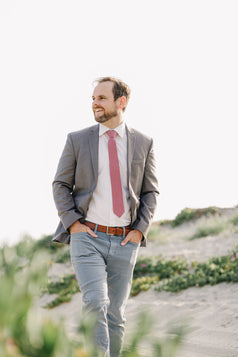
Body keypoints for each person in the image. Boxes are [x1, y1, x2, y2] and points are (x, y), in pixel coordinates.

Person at [52, 77, 159, 356]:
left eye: (101, 98)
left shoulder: (143, 143)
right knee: (96, 302)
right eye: (93, 98)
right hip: (87, 237)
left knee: (115, 314)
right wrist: (72, 223)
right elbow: (60, 185)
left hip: (125, 241)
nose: (94, 103)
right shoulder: (77, 140)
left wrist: (139, 231)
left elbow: (151, 192)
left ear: (120, 102)